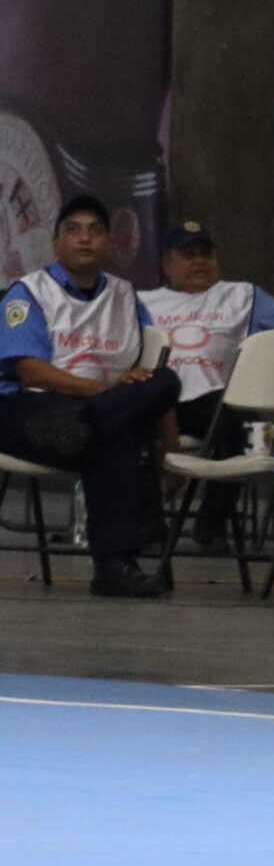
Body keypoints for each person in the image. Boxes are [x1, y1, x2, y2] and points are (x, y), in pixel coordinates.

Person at [0, 193, 179, 596]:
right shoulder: (28, 293)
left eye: (95, 231)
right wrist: (104, 392)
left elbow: (152, 372)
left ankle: (89, 425)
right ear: (56, 243)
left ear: (108, 241)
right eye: (74, 231)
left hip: (86, 417)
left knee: (166, 383)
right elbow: (28, 369)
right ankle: (114, 566)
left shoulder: (126, 297)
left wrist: (169, 444)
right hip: (28, 407)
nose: (85, 239)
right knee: (114, 432)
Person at [141, 220, 274, 547]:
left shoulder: (241, 296)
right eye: (188, 255)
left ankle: (212, 522)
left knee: (239, 419)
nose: (199, 262)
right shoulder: (143, 302)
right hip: (155, 399)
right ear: (167, 264)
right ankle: (145, 522)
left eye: (206, 254)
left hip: (210, 398)